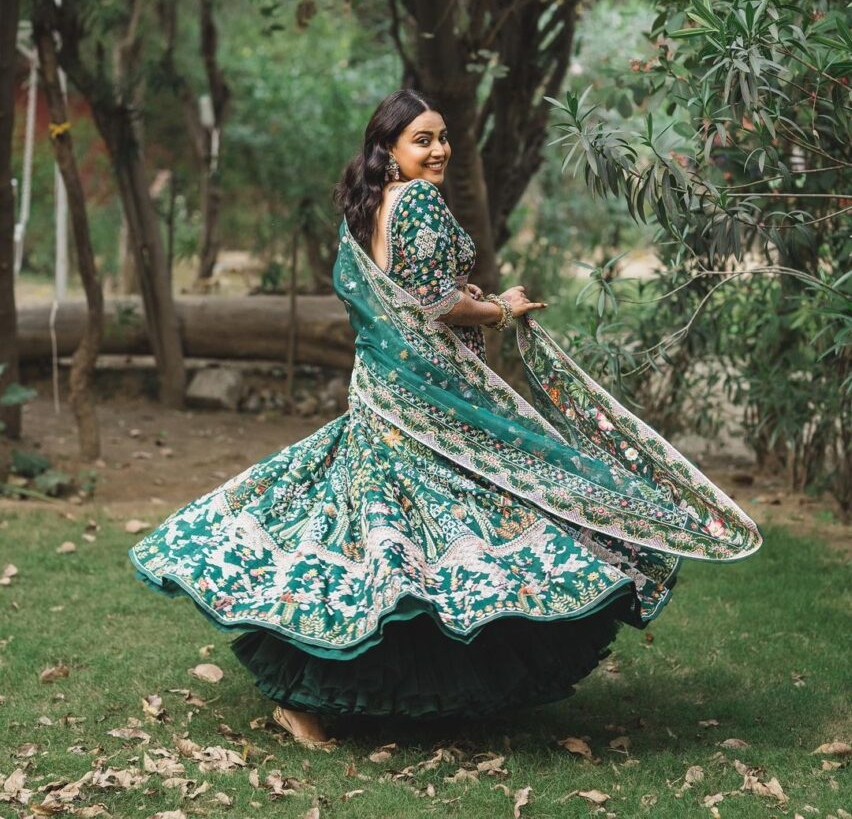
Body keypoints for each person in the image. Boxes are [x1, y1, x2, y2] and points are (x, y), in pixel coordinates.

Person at [129, 89, 762, 747]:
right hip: (424, 409)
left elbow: (401, 300)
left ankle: (337, 698)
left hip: (381, 396)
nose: (439, 149)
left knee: (386, 547)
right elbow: (436, 304)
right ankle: (318, 698)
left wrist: (475, 304)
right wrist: (503, 309)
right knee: (457, 529)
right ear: (390, 151)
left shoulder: (368, 206)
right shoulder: (419, 201)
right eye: (422, 139)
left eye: (442, 136)